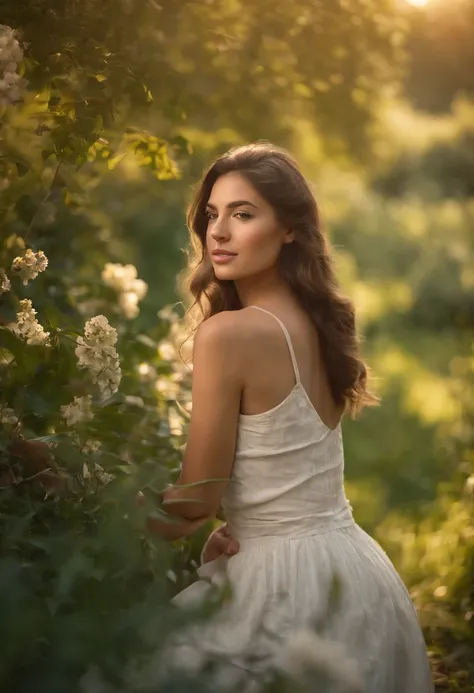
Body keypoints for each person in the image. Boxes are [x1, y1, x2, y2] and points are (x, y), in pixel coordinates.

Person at [146, 142, 434, 692]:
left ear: (289, 230)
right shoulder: (318, 320)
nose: (219, 233)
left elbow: (195, 499)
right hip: (356, 576)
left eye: (244, 214)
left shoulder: (229, 334)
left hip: (278, 588)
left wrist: (104, 503)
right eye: (213, 214)